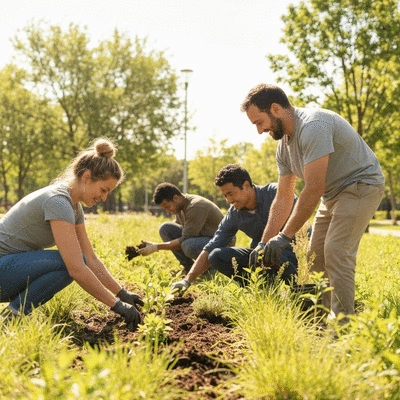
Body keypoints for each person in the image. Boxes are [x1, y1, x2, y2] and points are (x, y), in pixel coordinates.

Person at [240, 84, 385, 320]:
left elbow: (313, 188)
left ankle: (342, 329)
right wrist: (264, 243)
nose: (259, 131)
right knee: (314, 258)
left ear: (276, 108)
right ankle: (320, 322)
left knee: (336, 252)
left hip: (361, 185)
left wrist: (284, 237)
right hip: (332, 195)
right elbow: (283, 197)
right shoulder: (284, 147)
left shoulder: (313, 126)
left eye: (259, 122)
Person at [0, 138, 143, 330]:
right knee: (69, 264)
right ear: (86, 177)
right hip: (4, 269)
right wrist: (117, 306)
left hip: (9, 270)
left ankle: (12, 315)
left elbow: (91, 259)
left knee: (76, 261)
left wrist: (122, 293)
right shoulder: (57, 202)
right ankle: (11, 318)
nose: (104, 197)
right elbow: (76, 267)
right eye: (103, 189)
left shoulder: (73, 207)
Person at [171, 164, 299, 292]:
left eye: (230, 193)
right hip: (265, 255)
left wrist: (266, 243)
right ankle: (260, 288)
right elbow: (212, 246)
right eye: (225, 196)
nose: (228, 200)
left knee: (268, 252)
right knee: (216, 255)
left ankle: (290, 285)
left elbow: (300, 217)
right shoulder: (234, 214)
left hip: (296, 251)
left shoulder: (275, 193)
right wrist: (187, 280)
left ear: (246, 186)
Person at [137, 183, 226, 273]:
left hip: (220, 243)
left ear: (175, 198)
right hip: (202, 238)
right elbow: (177, 229)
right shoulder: (180, 207)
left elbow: (184, 239)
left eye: (168, 207)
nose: (168, 211)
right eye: (165, 209)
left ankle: (208, 270)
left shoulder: (195, 206)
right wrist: (152, 245)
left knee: (188, 245)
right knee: (165, 229)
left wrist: (156, 247)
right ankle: (189, 268)